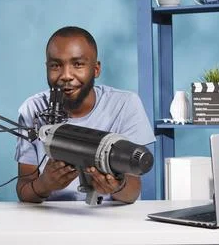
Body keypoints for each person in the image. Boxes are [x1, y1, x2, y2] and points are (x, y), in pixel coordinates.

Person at [15, 26, 155, 203]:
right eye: (56, 65)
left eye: (78, 64)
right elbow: (24, 191)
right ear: (46, 68)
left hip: (109, 220)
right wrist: (44, 184)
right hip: (51, 219)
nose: (66, 75)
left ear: (96, 69)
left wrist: (117, 186)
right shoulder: (33, 109)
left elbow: (132, 192)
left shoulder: (125, 105)